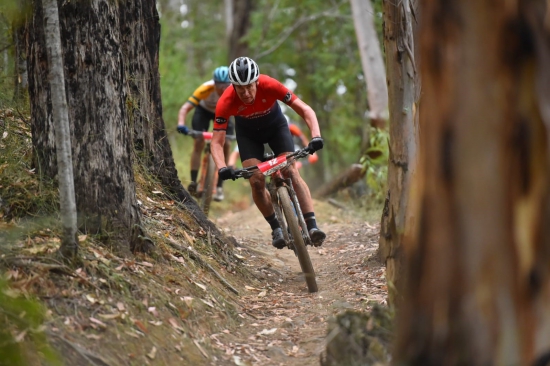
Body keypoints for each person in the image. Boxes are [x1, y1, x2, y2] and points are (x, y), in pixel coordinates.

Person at [210, 56, 326, 248]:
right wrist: (222, 167)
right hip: (248, 136)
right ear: (233, 86)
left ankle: (312, 226)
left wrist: (315, 136)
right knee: (256, 180)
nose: (246, 93)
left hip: (276, 128)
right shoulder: (226, 101)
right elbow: (216, 142)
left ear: (257, 81)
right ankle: (276, 228)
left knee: (290, 170)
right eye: (240, 88)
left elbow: (305, 110)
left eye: (249, 86)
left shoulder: (270, 85)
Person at [176, 66, 234, 202]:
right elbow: (185, 108)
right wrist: (181, 124)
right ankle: (193, 181)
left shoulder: (234, 91)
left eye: (226, 85)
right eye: (219, 85)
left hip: (223, 112)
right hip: (203, 110)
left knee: (227, 143)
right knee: (198, 141)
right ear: (214, 83)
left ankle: (219, 186)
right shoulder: (205, 89)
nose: (223, 89)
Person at [227, 121, 319, 169]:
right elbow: (237, 151)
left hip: (285, 151)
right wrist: (231, 165)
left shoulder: (291, 127)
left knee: (293, 169)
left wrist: (313, 153)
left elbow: (303, 139)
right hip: (263, 156)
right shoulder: (253, 133)